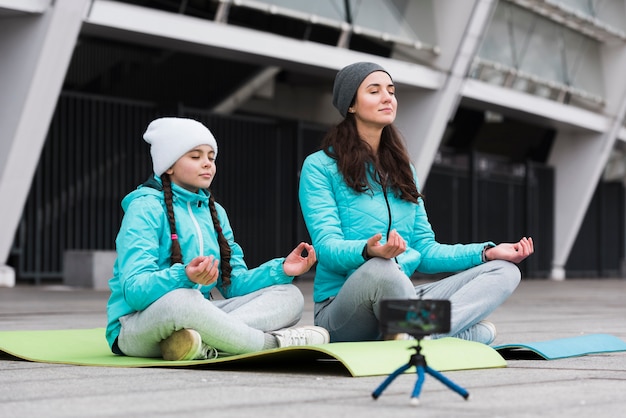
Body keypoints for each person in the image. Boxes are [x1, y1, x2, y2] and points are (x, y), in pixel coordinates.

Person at [298, 62, 534, 345]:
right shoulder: (320, 166)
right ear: (351, 105)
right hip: (344, 308)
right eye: (374, 91)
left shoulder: (403, 169)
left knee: (505, 271)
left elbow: (425, 249)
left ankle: (416, 333)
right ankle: (445, 333)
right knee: (381, 268)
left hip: (400, 304)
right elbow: (326, 248)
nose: (387, 97)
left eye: (391, 91)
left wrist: (487, 253)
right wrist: (368, 251)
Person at [106, 117, 329, 361]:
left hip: (195, 320)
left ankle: (199, 343)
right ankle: (272, 344)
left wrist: (281, 269)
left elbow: (234, 285)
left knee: (290, 296)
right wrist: (184, 276)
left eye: (211, 157)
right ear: (168, 165)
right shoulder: (145, 208)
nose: (207, 164)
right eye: (195, 156)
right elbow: (134, 291)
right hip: (138, 325)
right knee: (183, 300)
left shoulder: (215, 212)